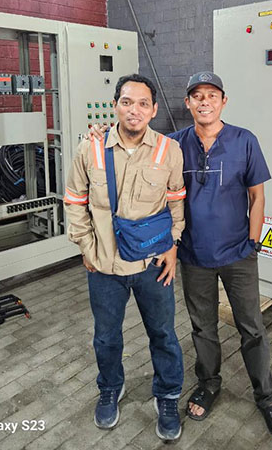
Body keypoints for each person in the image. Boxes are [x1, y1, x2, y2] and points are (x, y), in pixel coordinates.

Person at [91, 71, 272, 443]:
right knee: (203, 328)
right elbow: (134, 146)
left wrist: (253, 241)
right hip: (193, 255)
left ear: (223, 101)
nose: (204, 102)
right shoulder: (172, 144)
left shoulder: (244, 141)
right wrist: (101, 133)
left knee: (252, 328)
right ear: (187, 103)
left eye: (212, 95)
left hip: (238, 254)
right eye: (197, 96)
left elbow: (257, 196)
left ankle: (267, 397)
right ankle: (208, 384)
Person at [64, 73, 186, 441]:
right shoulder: (91, 148)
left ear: (154, 109)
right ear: (115, 105)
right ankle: (110, 389)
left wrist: (172, 246)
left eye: (143, 103)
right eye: (127, 102)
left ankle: (167, 396)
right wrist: (86, 247)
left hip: (152, 265)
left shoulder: (168, 150)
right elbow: (75, 200)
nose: (135, 110)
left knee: (163, 335)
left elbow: (176, 201)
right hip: (104, 266)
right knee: (106, 338)